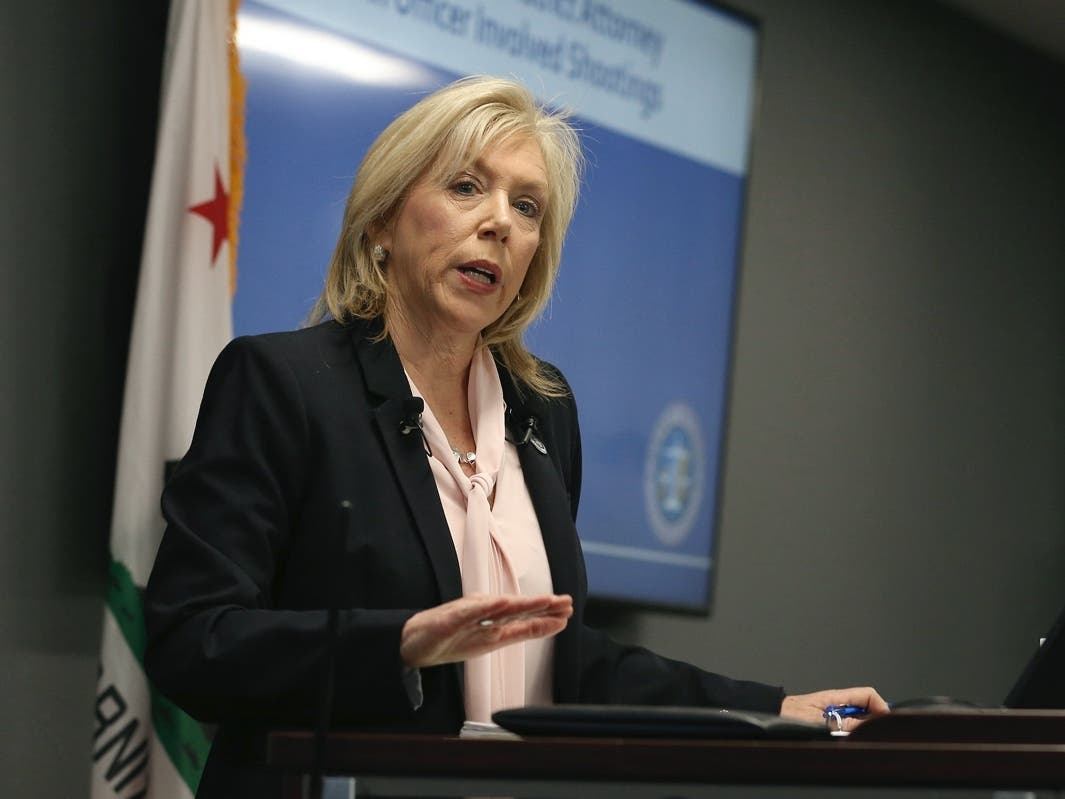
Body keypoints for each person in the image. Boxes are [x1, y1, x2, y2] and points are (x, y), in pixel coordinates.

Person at [144, 76, 888, 798]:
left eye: (525, 205)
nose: (500, 221)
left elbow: (562, 663)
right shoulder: (284, 384)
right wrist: (397, 642)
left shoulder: (541, 410)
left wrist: (775, 706)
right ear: (382, 220)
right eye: (466, 187)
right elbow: (192, 638)